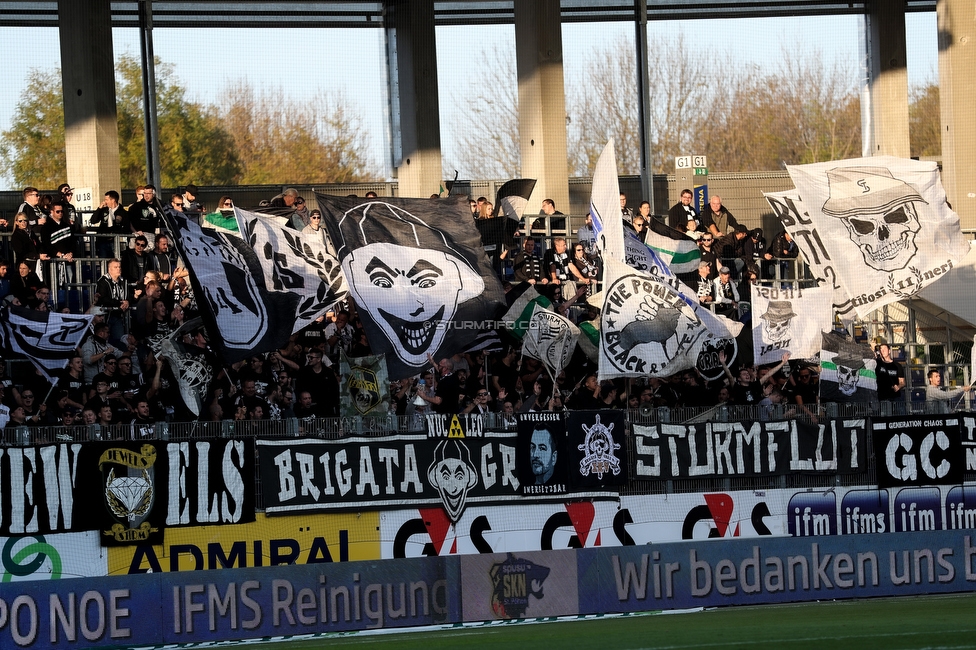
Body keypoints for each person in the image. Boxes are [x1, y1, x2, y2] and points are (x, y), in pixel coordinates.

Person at [89, 191, 130, 258]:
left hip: (114, 241)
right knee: (103, 260)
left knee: (114, 260)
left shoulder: (122, 212)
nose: (105, 201)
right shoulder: (104, 210)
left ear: (113, 200)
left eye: (106, 200)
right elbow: (93, 221)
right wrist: (99, 208)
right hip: (102, 240)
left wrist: (115, 233)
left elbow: (126, 227)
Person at [875, 343, 906, 410]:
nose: (882, 351)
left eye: (884, 349)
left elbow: (902, 382)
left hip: (895, 397)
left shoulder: (897, 366)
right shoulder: (877, 364)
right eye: (881, 350)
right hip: (882, 397)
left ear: (889, 351)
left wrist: (898, 386)